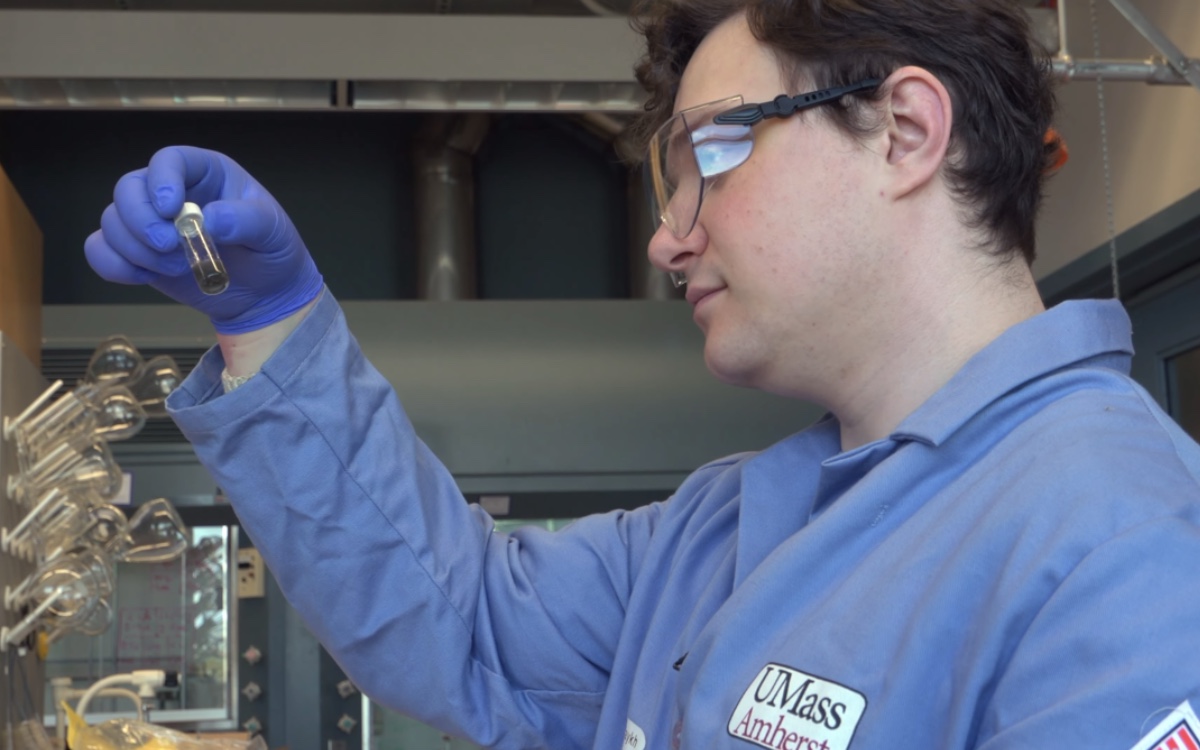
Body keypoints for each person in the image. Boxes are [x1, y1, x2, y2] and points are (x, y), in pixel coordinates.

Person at [85, 0, 1200, 748]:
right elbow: (457, 620)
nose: (670, 235)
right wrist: (272, 323)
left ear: (905, 132)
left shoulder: (1125, 544)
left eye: (711, 153)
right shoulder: (721, 527)